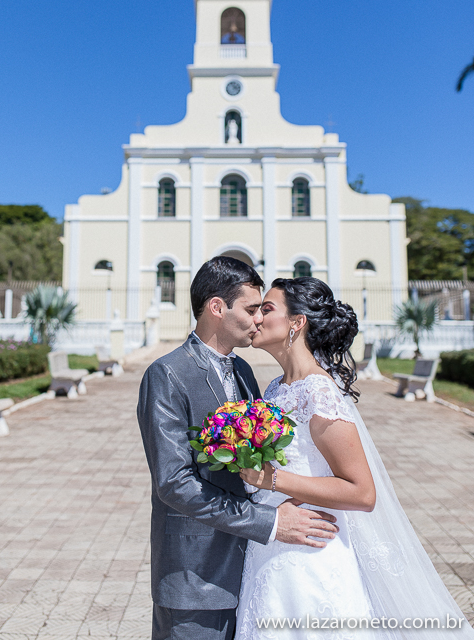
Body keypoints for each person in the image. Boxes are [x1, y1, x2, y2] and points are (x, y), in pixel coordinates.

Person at [236, 277, 474, 639]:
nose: (256, 318)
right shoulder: (275, 388)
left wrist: (271, 480)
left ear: (297, 323)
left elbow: (362, 493)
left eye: (266, 309)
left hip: (310, 559)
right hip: (272, 546)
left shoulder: (318, 391)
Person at [137, 257, 339, 640]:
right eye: (250, 309)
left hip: (251, 568)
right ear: (217, 308)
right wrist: (272, 523)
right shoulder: (167, 374)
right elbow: (174, 483)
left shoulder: (245, 371)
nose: (258, 319)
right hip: (194, 576)